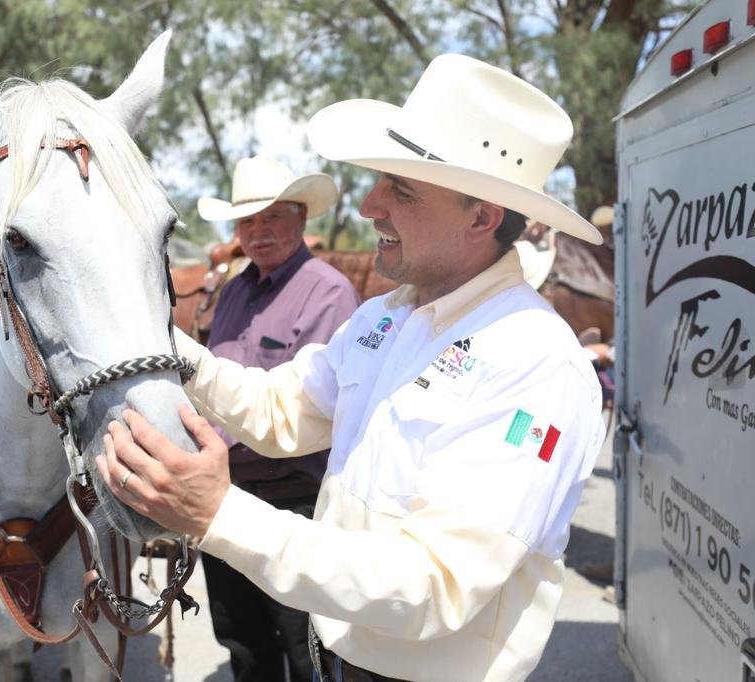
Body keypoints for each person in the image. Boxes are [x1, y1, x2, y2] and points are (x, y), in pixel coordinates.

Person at [97, 54, 606, 681]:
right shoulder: (389, 316)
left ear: (482, 217)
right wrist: (164, 345)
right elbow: (283, 411)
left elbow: (435, 583)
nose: (369, 205)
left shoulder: (534, 360)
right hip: (339, 654)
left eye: (402, 188)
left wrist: (219, 513)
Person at [193, 155, 361, 681]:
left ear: (300, 219)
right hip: (229, 495)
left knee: (305, 645)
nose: (258, 232)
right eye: (247, 222)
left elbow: (310, 410)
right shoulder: (235, 291)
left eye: (272, 217)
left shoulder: (328, 293)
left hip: (296, 502)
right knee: (243, 643)